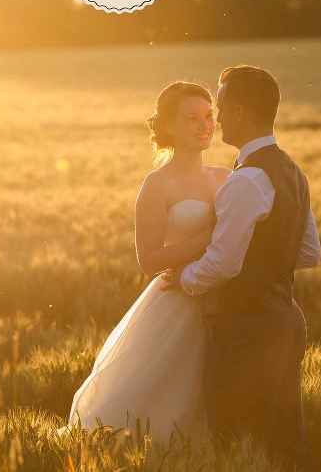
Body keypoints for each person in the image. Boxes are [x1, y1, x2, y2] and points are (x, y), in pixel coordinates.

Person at [162, 66, 321, 470]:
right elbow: (308, 253)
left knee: (231, 440)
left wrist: (183, 278)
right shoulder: (292, 172)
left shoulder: (246, 180)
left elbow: (223, 263)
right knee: (284, 441)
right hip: (285, 320)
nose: (215, 117)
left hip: (243, 330)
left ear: (240, 111)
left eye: (220, 106)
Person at [67, 81, 227, 443]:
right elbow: (149, 259)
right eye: (192, 118)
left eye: (209, 116)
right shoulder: (157, 185)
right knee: (164, 398)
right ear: (169, 125)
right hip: (177, 302)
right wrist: (211, 239)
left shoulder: (227, 176)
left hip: (226, 297)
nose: (204, 126)